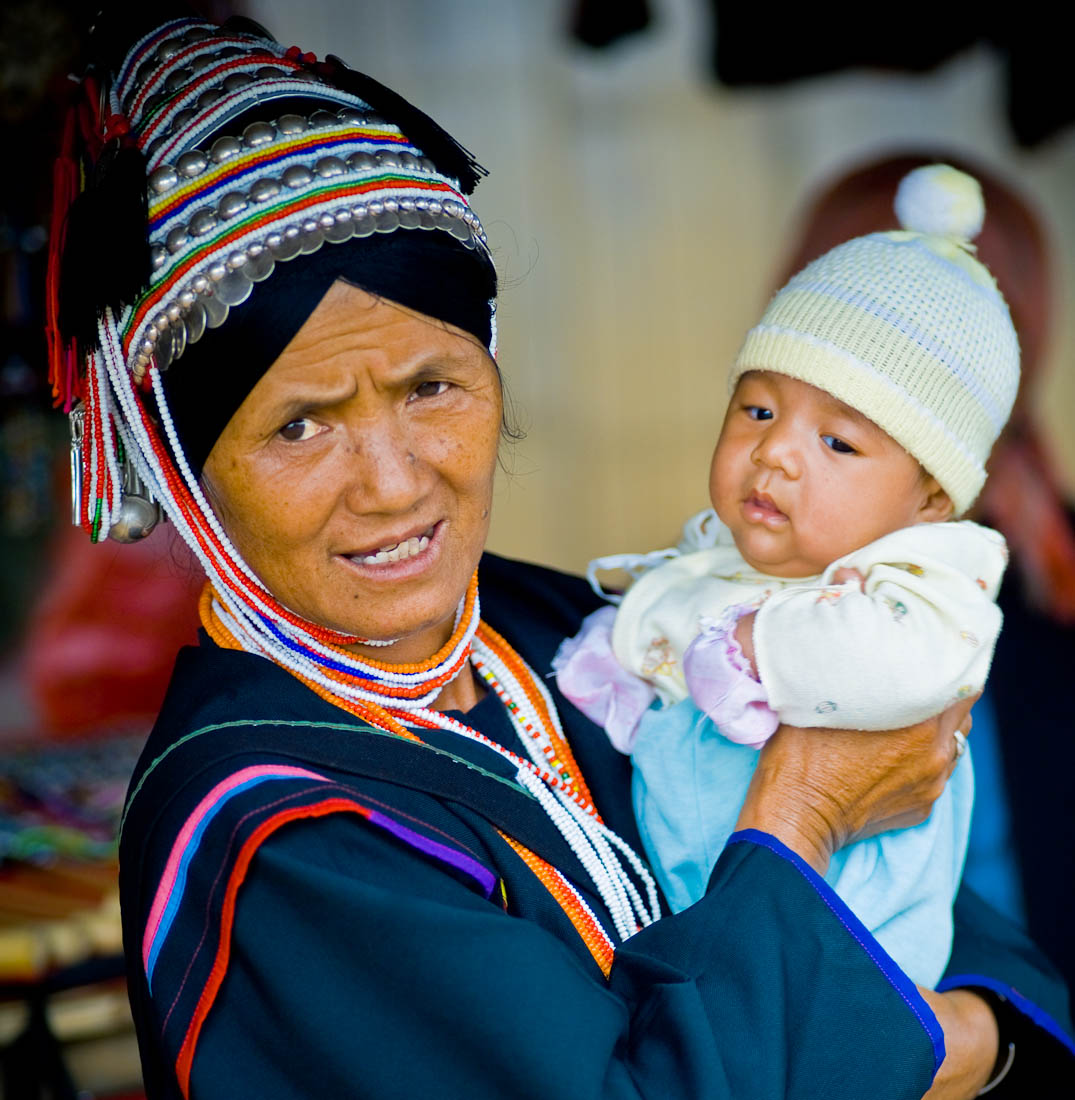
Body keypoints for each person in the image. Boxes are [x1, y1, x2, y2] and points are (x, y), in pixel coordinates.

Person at [48, 10, 1073, 1099]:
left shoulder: (573, 629)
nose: (394, 482)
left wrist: (973, 1037)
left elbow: (966, 933)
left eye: (430, 388)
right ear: (188, 468)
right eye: (298, 424)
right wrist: (804, 813)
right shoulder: (270, 835)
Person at [554, 164, 1012, 988]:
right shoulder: (718, 568)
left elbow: (900, 666)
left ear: (930, 498)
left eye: (837, 442)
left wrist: (752, 648)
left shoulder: (926, 589)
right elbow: (671, 607)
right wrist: (623, 652)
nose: (774, 453)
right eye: (757, 410)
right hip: (690, 938)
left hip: (849, 956)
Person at [765, 151, 1075, 997]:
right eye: (869, 299)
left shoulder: (1053, 568)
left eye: (974, 297)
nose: (917, 334)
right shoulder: (733, 582)